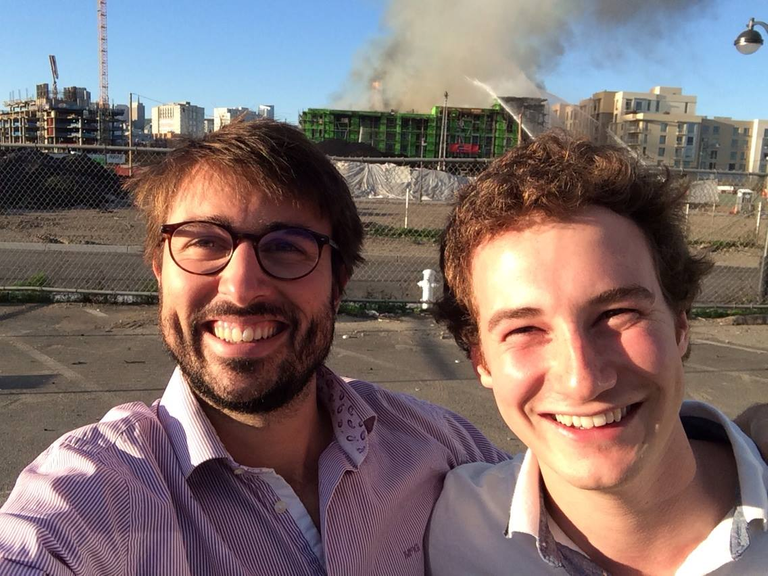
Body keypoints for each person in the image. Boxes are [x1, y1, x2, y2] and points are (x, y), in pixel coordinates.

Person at [0, 120, 507, 575]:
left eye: (287, 247)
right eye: (203, 242)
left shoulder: (439, 447)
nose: (241, 289)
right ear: (160, 272)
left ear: (338, 284)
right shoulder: (89, 496)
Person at [426, 132, 768, 574]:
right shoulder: (452, 524)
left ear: (681, 322)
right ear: (482, 361)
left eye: (617, 313)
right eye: (525, 328)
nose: (582, 379)